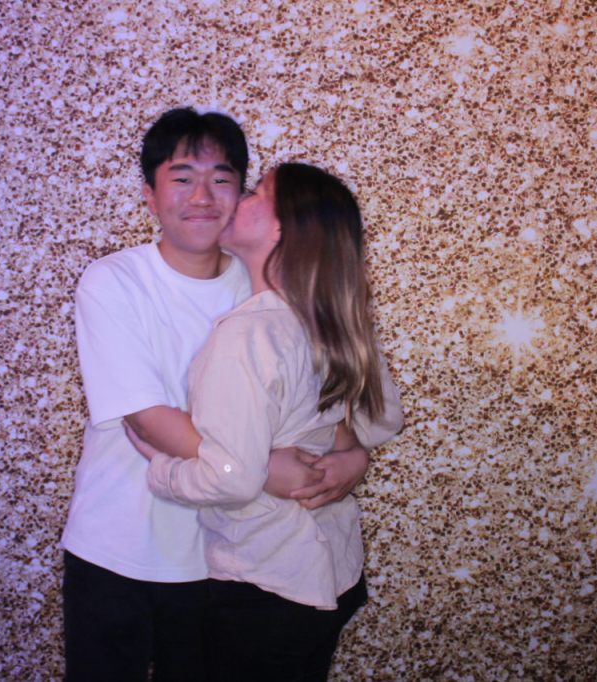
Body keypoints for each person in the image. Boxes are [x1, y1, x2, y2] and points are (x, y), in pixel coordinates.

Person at [61, 108, 372, 682]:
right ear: (150, 196)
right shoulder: (114, 281)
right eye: (182, 178)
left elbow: (329, 396)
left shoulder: (264, 283)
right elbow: (147, 417)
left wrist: (353, 456)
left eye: (222, 179)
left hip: (224, 563)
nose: (202, 196)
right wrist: (261, 470)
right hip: (120, 546)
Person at [126, 162, 404, 681]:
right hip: (332, 574)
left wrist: (161, 467)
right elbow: (382, 421)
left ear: (283, 229)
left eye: (256, 192)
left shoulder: (248, 335)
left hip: (264, 583)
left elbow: (229, 479)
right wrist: (349, 452)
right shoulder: (328, 321)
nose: (236, 198)